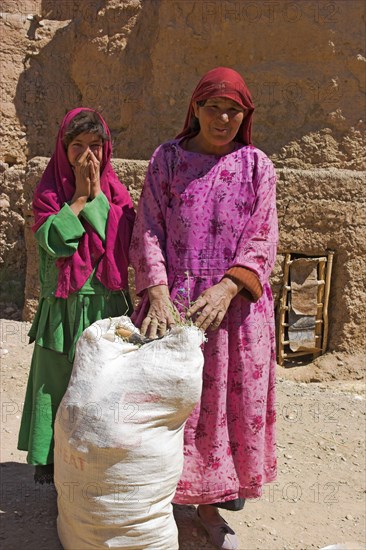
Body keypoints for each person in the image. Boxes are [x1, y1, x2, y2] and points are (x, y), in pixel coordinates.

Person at [129, 67, 278, 550]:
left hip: (234, 311)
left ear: (245, 116)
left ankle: (212, 511)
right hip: (173, 305)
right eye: (214, 107)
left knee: (222, 412)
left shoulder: (258, 166)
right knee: (172, 404)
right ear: (195, 109)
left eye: (234, 109)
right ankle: (165, 503)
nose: (224, 117)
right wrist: (155, 289)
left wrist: (229, 287)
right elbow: (148, 224)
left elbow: (262, 237)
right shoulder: (167, 159)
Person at [18, 108, 135, 484]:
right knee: (56, 382)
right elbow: (53, 241)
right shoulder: (50, 191)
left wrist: (98, 195)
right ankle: (49, 460)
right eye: (78, 146)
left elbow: (121, 242)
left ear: (107, 150)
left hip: (105, 303)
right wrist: (81, 199)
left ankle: (98, 459)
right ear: (63, 149)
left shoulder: (116, 192)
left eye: (96, 146)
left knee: (104, 382)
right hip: (62, 304)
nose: (88, 156)